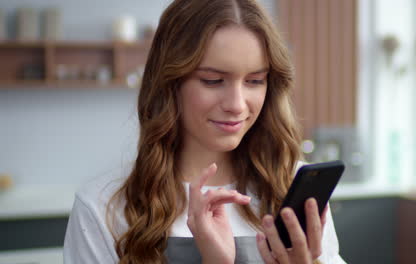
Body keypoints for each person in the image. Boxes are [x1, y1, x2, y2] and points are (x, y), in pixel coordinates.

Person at [63, 0, 346, 263]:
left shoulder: (292, 189)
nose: (237, 105)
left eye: (255, 80)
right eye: (213, 81)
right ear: (169, 83)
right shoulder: (104, 207)